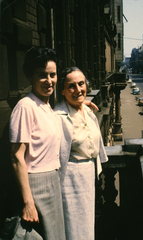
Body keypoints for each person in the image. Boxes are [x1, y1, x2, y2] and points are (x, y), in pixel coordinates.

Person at [9, 47, 66, 240]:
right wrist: (28, 202)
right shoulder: (25, 106)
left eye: (53, 74)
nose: (49, 81)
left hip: (53, 182)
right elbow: (17, 157)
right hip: (36, 185)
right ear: (30, 77)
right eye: (42, 76)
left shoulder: (47, 106)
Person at [54, 67, 108, 240]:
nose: (78, 90)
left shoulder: (87, 110)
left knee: (87, 227)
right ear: (62, 90)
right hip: (70, 180)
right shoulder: (58, 117)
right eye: (71, 86)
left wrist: (80, 103)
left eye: (81, 84)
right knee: (74, 228)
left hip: (88, 176)